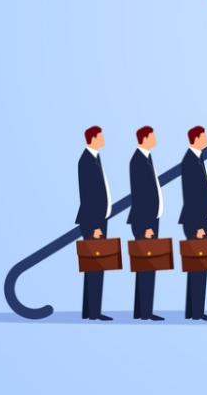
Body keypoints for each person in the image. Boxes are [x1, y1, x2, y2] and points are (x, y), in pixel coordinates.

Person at [75, 125, 113, 321]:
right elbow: (88, 197)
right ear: (93, 138)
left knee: (95, 267)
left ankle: (90, 311)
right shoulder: (86, 161)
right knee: (95, 266)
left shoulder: (94, 158)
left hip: (99, 220)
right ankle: (93, 312)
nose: (104, 138)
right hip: (93, 222)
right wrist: (95, 227)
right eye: (101, 136)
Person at [179, 125, 207, 321]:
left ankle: (194, 310)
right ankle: (196, 312)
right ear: (197, 138)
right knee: (198, 266)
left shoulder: (198, 159)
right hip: (197, 222)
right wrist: (197, 227)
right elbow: (191, 197)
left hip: (202, 220)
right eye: (204, 135)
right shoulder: (190, 161)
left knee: (200, 266)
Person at [128, 125, 164, 321]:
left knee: (147, 266)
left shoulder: (146, 158)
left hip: (151, 220)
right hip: (145, 223)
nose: (155, 138)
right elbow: (140, 196)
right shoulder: (138, 161)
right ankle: (145, 312)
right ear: (145, 138)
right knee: (146, 266)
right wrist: (145, 227)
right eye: (153, 136)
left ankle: (142, 310)